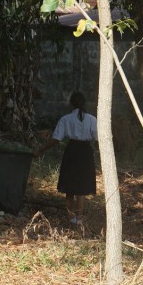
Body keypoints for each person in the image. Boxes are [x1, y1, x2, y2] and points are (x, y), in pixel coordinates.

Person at [38, 91, 96, 224]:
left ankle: (71, 218)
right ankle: (79, 218)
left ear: (71, 104)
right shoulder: (92, 119)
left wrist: (40, 150)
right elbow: (97, 137)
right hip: (86, 152)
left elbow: (56, 139)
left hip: (72, 151)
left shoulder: (66, 119)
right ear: (85, 103)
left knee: (70, 186)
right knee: (81, 187)